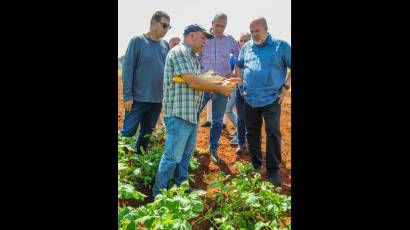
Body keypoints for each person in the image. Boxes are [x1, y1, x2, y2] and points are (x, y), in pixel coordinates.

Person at [153, 24, 237, 197]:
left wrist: (224, 81)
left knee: (185, 156)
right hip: (179, 114)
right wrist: (221, 89)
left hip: (190, 115)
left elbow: (203, 78)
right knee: (172, 157)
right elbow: (193, 81)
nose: (206, 41)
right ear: (191, 36)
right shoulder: (180, 52)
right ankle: (159, 194)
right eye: (203, 37)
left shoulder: (192, 57)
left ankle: (181, 188)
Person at [235, 17, 291, 189]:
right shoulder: (247, 47)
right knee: (252, 133)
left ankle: (273, 169)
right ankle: (256, 164)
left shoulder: (281, 46)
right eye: (251, 31)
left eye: (257, 31)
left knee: (273, 132)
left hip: (272, 98)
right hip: (250, 98)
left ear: (266, 29)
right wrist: (239, 84)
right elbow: (239, 66)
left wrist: (286, 86)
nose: (254, 34)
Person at [121, 11, 171, 154]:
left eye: (168, 26)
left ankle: (138, 161)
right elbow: (127, 70)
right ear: (153, 23)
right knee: (127, 134)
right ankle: (121, 165)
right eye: (164, 25)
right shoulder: (137, 41)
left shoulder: (165, 45)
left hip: (156, 101)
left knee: (146, 135)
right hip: (137, 99)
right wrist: (127, 96)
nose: (166, 29)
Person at [198, 13, 240, 164]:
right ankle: (188, 147)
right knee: (193, 115)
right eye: (217, 25)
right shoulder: (203, 38)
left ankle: (213, 149)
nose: (219, 29)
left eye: (223, 26)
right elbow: (195, 57)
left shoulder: (230, 40)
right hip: (203, 84)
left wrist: (234, 73)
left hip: (222, 85)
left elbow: (239, 57)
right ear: (212, 23)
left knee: (217, 120)